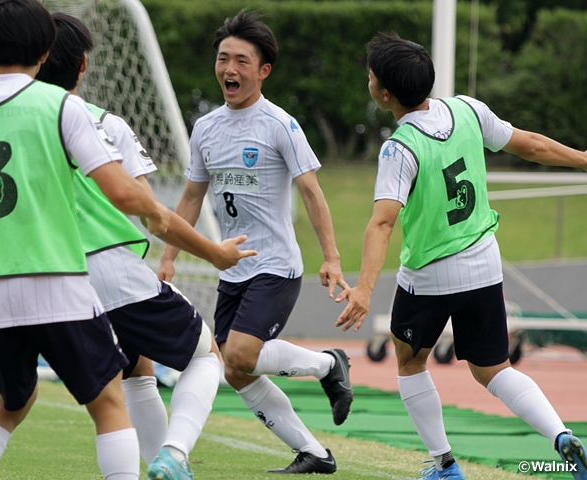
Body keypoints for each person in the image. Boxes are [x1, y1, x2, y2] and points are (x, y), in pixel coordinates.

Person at [0, 1, 253, 479]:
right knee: (110, 401)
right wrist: (205, 247)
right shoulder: (62, 107)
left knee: (11, 402)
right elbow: (126, 194)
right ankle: (169, 455)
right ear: (45, 51)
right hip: (56, 278)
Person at [336, 31, 587, 480]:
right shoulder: (468, 109)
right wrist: (584, 159)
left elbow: (382, 222)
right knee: (494, 369)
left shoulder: (400, 147)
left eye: (371, 76)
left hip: (430, 276)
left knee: (411, 362)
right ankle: (561, 437)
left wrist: (364, 289)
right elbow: (531, 143)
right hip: (484, 265)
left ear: (384, 92)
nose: (369, 80)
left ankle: (445, 466)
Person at [35, 12, 252, 480]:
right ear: (83, 65)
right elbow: (148, 209)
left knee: (133, 374)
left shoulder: (21, 128)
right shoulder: (104, 124)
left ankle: (164, 468)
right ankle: (174, 453)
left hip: (54, 279)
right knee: (205, 355)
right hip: (113, 270)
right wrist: (213, 252)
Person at [159, 9, 353, 475]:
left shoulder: (279, 125)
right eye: (224, 59)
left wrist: (331, 257)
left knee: (241, 355)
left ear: (263, 70)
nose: (230, 70)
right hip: (232, 268)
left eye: (242, 61)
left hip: (276, 266)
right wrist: (167, 256)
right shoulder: (206, 128)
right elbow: (190, 197)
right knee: (235, 370)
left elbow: (311, 192)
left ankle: (330, 364)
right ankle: (315, 453)